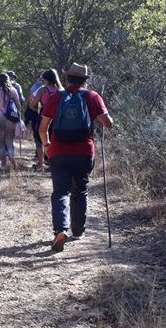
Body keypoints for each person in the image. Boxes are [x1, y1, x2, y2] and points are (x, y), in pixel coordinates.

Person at [38, 62, 113, 253]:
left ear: (67, 78)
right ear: (85, 80)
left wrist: (47, 145)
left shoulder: (56, 98)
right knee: (80, 190)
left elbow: (43, 128)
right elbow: (108, 124)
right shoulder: (92, 96)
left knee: (60, 192)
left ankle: (60, 230)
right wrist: (102, 112)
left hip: (58, 153)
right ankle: (78, 230)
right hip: (84, 153)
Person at [0, 73, 22, 173]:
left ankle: (3, 165)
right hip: (10, 118)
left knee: (1, 142)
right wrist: (19, 118)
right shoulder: (13, 90)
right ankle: (11, 156)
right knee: (9, 140)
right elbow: (18, 105)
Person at [28, 69, 63, 171]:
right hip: (58, 117)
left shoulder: (42, 90)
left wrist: (35, 107)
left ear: (46, 80)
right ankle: (54, 163)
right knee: (54, 139)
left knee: (40, 139)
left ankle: (41, 163)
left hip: (44, 115)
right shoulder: (61, 90)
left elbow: (33, 104)